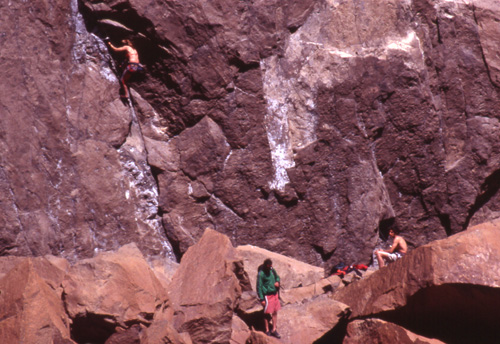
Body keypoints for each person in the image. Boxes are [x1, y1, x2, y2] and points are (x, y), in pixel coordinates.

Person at [257, 258, 281, 338]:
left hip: (274, 294)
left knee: (275, 311)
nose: (270, 267)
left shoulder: (272, 270)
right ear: (265, 266)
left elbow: (277, 277)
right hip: (266, 295)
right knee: (266, 313)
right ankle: (267, 330)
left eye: (271, 266)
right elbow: (259, 286)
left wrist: (277, 281)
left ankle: (274, 329)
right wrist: (261, 299)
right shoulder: (261, 274)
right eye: (268, 266)